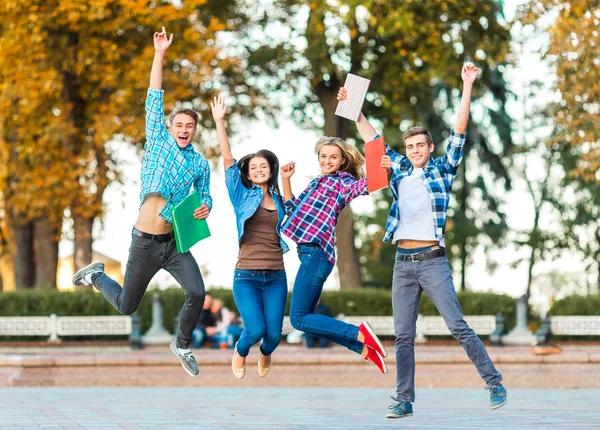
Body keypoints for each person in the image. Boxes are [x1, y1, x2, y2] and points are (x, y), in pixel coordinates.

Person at [338, 64, 507, 417]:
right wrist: (353, 105)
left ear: (430, 147)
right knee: (403, 337)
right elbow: (371, 136)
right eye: (410, 146)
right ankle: (404, 400)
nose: (414, 150)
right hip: (403, 264)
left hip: (432, 261)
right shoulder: (397, 166)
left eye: (420, 145)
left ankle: (494, 382)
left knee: (457, 326)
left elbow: (459, 130)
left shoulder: (443, 170)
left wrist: (466, 85)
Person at [72, 27, 211, 377]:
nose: (183, 129)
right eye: (179, 124)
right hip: (145, 242)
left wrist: (206, 206)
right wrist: (160, 53)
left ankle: (181, 343)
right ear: (170, 125)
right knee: (125, 306)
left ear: (195, 130)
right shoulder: (159, 141)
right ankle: (97, 276)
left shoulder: (199, 163)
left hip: (176, 243)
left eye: (189, 126)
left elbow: (206, 194)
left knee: (197, 291)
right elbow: (154, 94)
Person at [280, 137, 388, 374]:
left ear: (342, 162)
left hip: (318, 253)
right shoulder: (317, 183)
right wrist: (285, 180)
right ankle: (363, 348)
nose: (327, 160)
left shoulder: (342, 183)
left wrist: (383, 166)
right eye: (323, 156)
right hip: (310, 254)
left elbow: (366, 185)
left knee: (298, 319)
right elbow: (293, 210)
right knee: (306, 318)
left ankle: (358, 333)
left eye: (333, 157)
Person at [211, 94, 288, 379]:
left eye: (263, 167)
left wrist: (289, 181)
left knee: (273, 336)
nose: (257, 170)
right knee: (254, 330)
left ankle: (266, 353)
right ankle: (241, 352)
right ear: (248, 173)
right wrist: (220, 122)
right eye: (253, 167)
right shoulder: (241, 194)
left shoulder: (280, 200)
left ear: (270, 171)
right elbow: (228, 160)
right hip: (246, 276)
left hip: (276, 276)